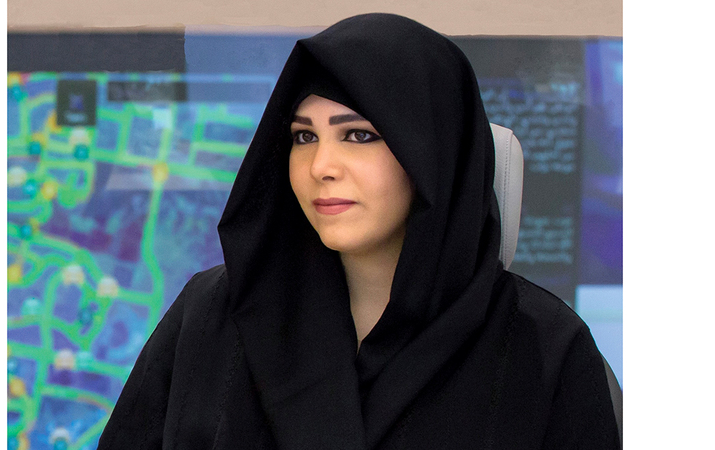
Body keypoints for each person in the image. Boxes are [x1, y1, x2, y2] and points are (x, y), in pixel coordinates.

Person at [97, 13, 620, 449]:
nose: (321, 166)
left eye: (359, 135)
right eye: (303, 137)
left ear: (432, 153)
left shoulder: (545, 347)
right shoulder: (210, 313)